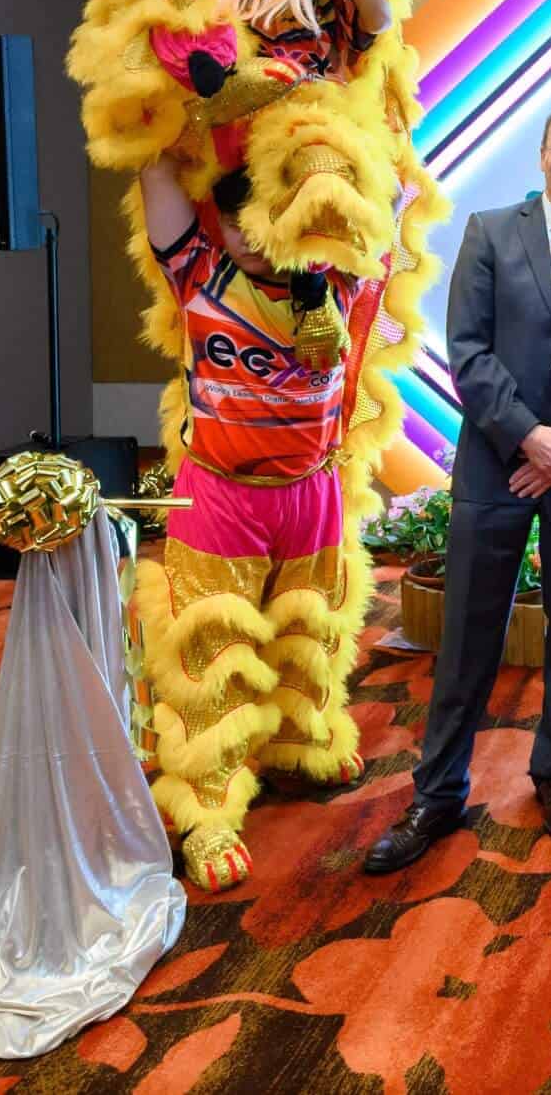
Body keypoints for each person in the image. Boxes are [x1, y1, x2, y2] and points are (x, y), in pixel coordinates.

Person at [366, 106, 551, 871]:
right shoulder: (491, 231)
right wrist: (529, 436)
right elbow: (468, 350)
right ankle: (437, 791)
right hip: (496, 463)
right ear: (541, 156)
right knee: (467, 634)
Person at [136, 154, 378, 891]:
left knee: (313, 627)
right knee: (211, 643)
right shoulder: (198, 272)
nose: (249, 235)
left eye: (264, 217)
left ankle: (294, 739)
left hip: (312, 487)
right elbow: (152, 165)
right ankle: (207, 807)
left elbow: (379, 176)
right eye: (234, 220)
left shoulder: (342, 280)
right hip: (222, 489)